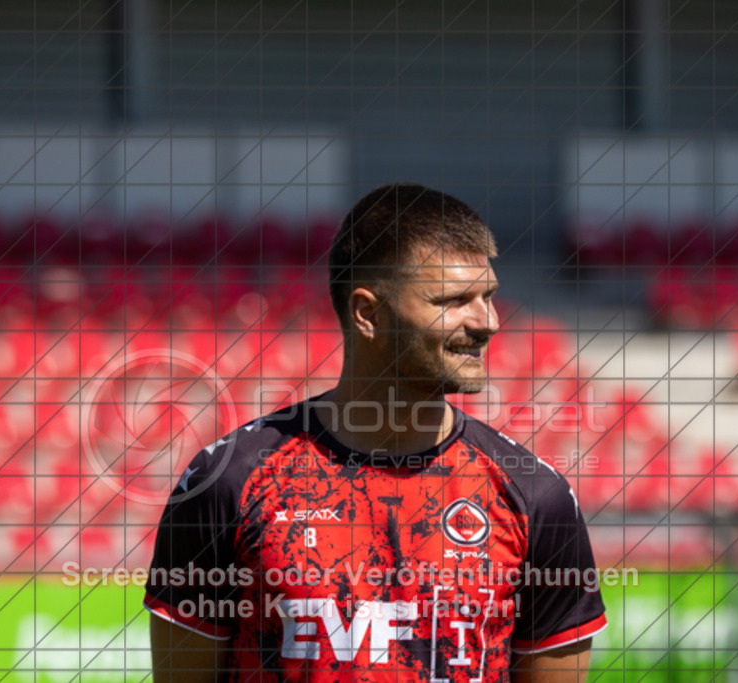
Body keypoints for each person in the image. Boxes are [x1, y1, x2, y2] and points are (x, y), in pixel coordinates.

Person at [145, 183, 607, 682]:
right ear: (367, 313)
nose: (488, 322)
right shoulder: (227, 482)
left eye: (488, 296)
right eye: (454, 300)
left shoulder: (536, 496)